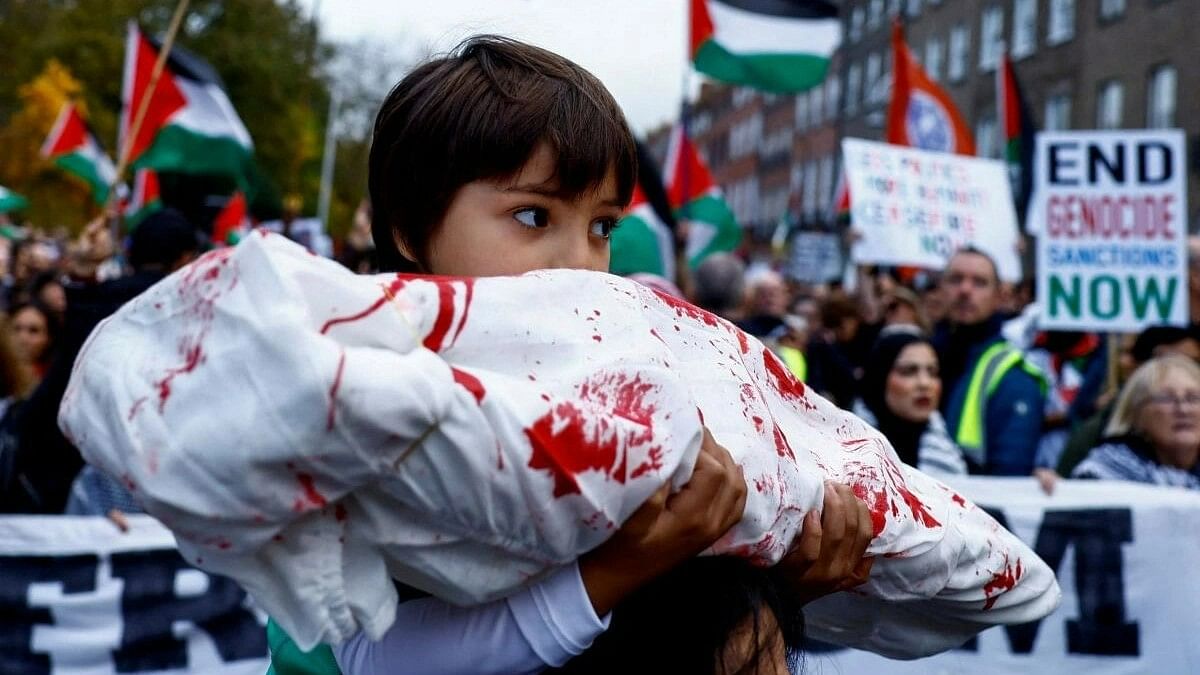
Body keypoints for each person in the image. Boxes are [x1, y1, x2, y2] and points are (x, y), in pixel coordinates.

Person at [274, 36, 875, 675]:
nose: (580, 263)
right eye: (533, 217)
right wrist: (619, 570)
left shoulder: (629, 399)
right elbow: (372, 657)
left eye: (602, 227)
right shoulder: (352, 388)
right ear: (409, 229)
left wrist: (760, 580)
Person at [0, 208, 201, 514]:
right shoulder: (197, 322)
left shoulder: (92, 307)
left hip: (58, 490)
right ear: (186, 259)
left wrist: (81, 273)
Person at [932, 247, 1045, 476]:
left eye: (979, 282)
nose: (965, 290)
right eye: (955, 279)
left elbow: (1010, 476)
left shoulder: (1014, 376)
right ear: (941, 289)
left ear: (999, 296)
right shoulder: (923, 353)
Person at [1071, 355, 1200, 489]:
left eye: (1193, 398)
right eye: (1166, 399)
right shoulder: (1101, 474)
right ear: (1136, 413)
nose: (1183, 409)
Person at [855, 331, 967, 476]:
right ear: (879, 378)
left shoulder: (948, 455)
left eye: (932, 372)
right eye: (909, 372)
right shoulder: (847, 454)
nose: (925, 383)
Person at [7, 300, 57, 381]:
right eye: (16, 329)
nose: (22, 338)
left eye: (33, 330)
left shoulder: (55, 379)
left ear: (49, 338)